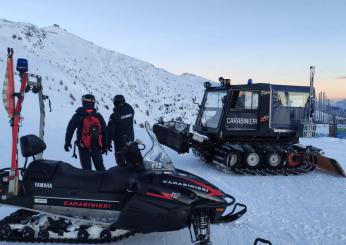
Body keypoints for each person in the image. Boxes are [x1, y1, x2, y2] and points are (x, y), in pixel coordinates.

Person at [64, 94, 107, 171]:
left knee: (86, 170)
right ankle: (105, 182)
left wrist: (67, 142)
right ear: (93, 103)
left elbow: (70, 130)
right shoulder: (98, 116)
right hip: (96, 145)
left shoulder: (78, 115)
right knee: (100, 168)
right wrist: (105, 145)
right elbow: (104, 131)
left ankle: (88, 182)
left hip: (83, 146)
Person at [107, 95, 135, 166]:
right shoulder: (130, 110)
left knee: (121, 163)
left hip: (119, 143)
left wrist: (108, 141)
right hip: (130, 139)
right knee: (131, 160)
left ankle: (122, 176)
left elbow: (111, 131)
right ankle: (132, 175)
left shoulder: (114, 116)